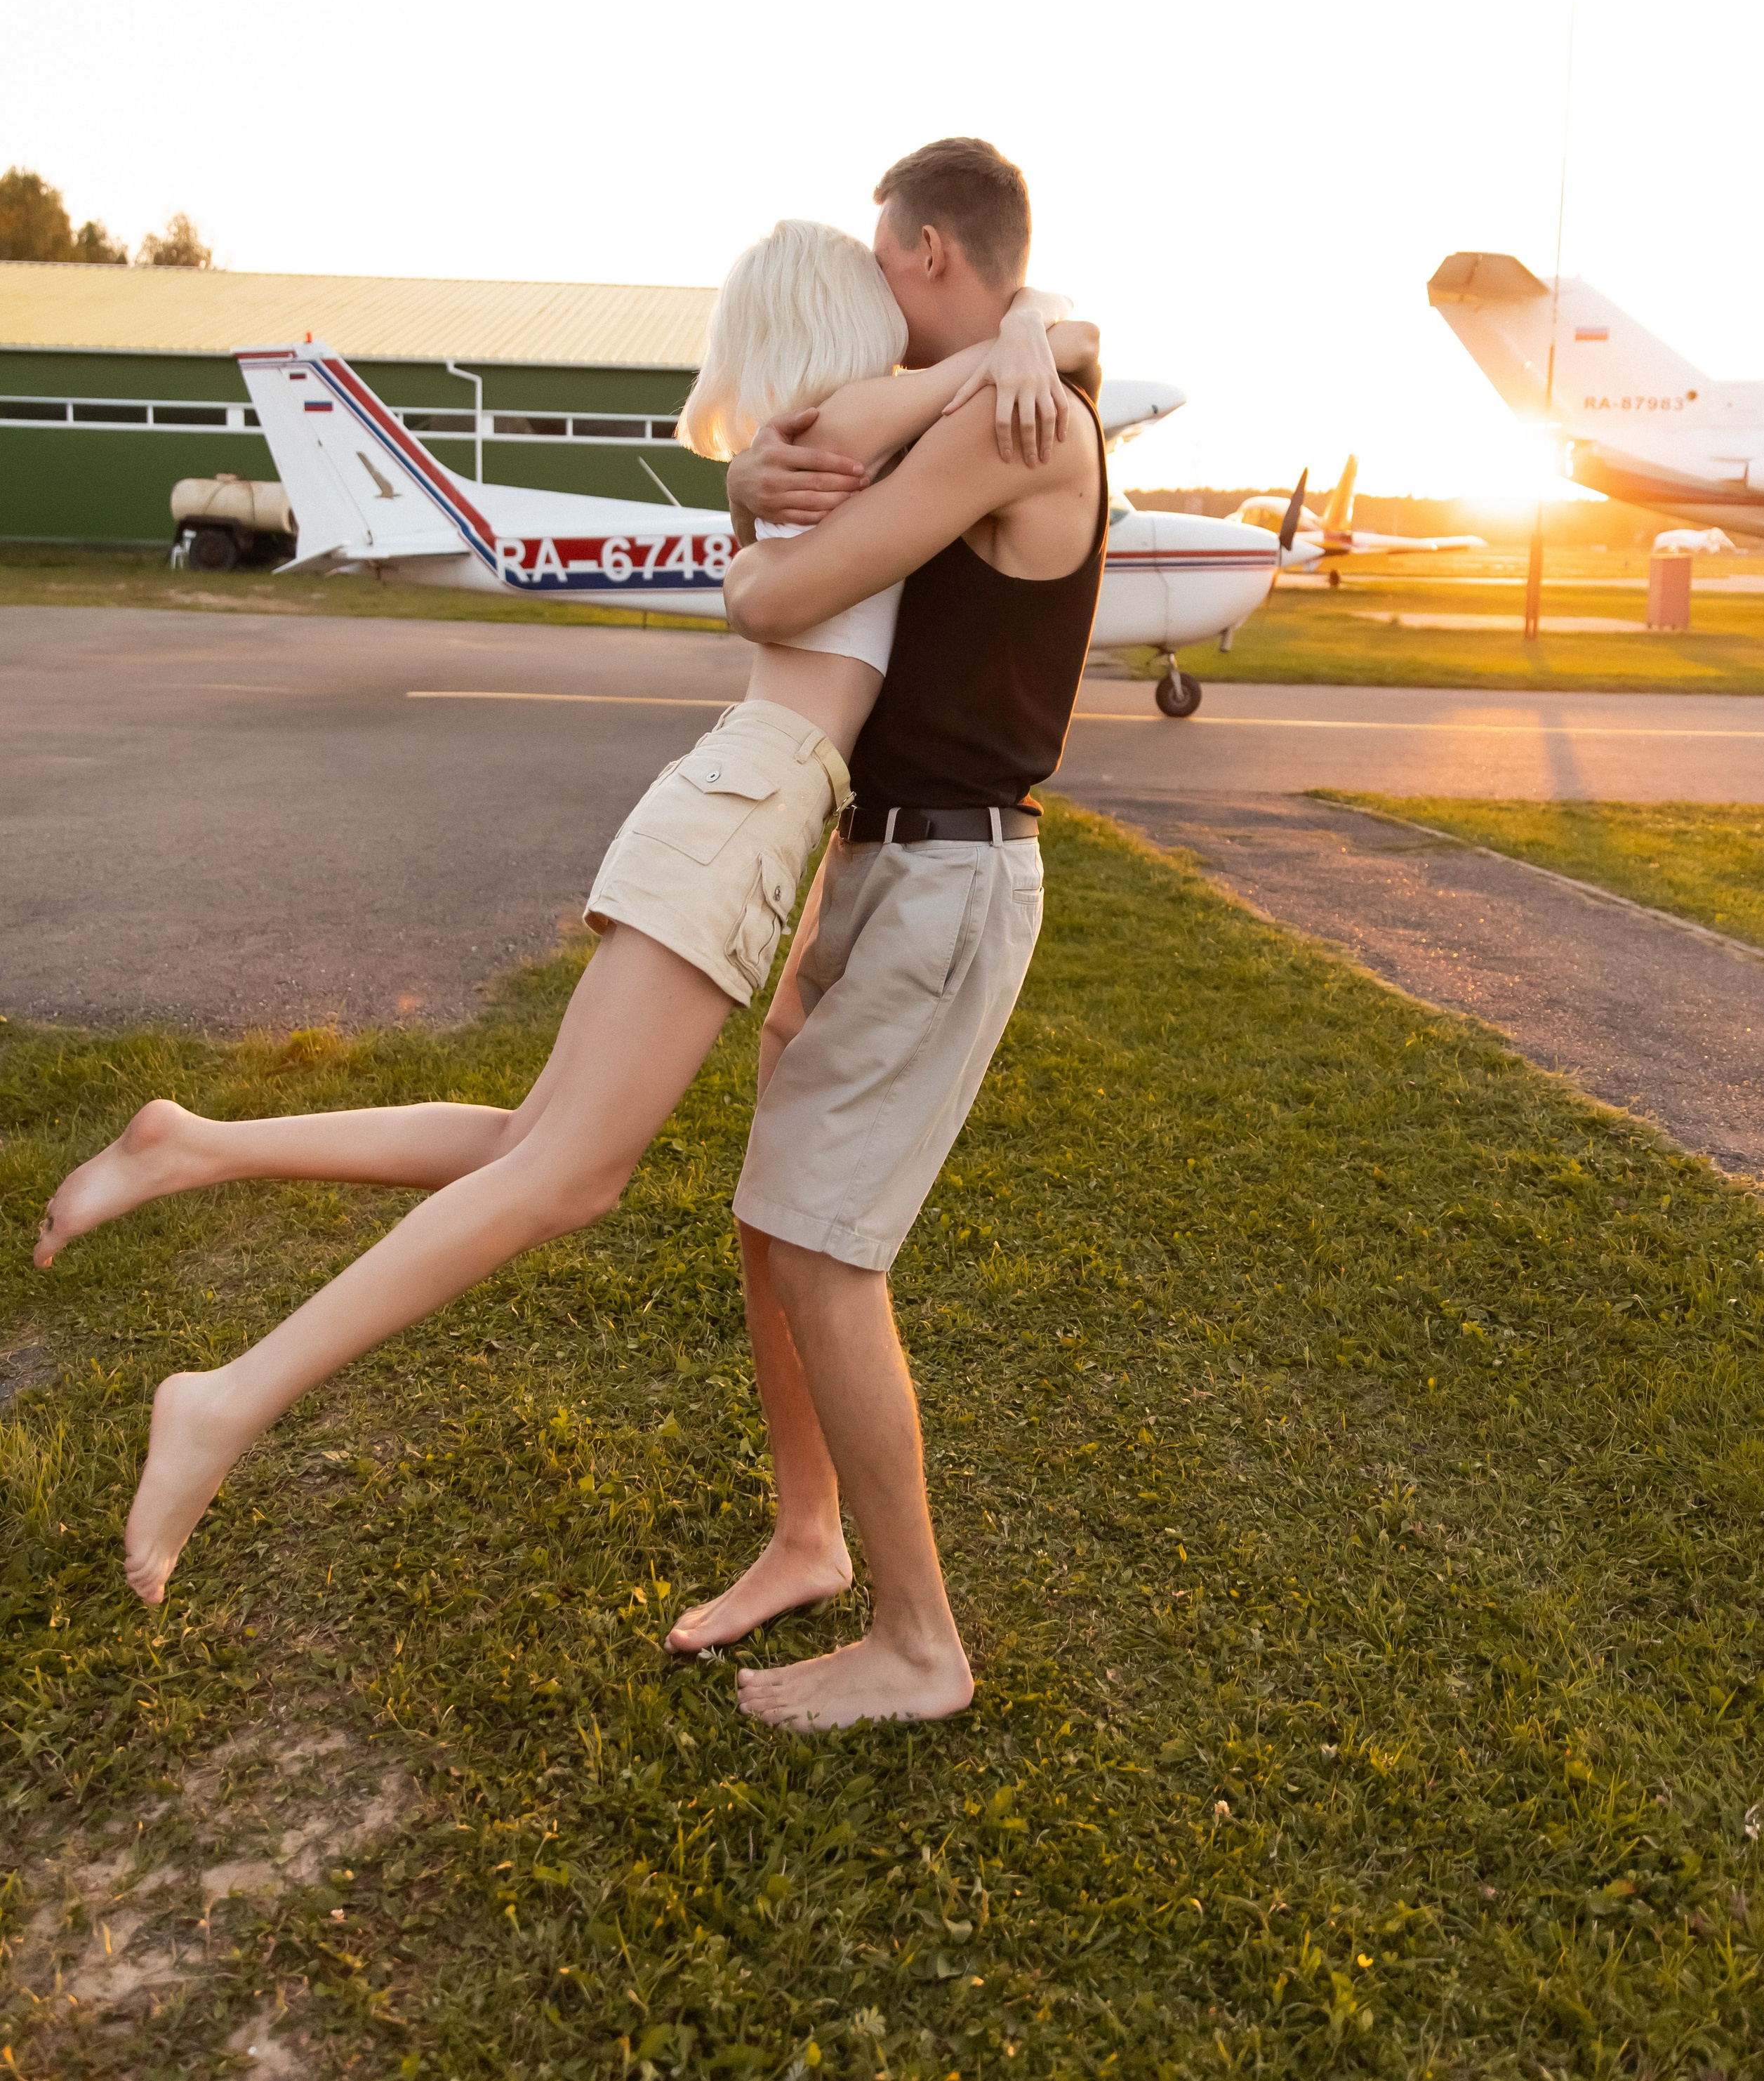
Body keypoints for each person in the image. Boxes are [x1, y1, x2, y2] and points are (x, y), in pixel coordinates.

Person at [34, 212, 1095, 1611]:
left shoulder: (826, 436)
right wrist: (1017, 340)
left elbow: (1046, 344)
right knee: (567, 1175)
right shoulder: (842, 427)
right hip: (746, 810)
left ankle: (192, 1146)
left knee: (534, 1139)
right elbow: (994, 370)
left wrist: (1030, 330)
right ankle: (226, 1400)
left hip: (743, 804)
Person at [662, 136, 1109, 1731]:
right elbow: (809, 464)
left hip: (951, 876)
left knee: (828, 1248)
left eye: (879, 263)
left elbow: (782, 599)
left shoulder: (1012, 413)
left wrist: (998, 352)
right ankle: (806, 1537)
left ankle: (919, 1643)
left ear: (926, 253)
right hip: (882, 862)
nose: (868, 299)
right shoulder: (999, 370)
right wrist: (748, 473)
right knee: (766, 1219)